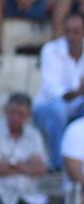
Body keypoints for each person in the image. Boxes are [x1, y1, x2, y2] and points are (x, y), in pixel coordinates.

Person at [35, 11, 84, 168]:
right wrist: (78, 92)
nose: (71, 36)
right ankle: (58, 164)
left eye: (76, 31)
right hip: (46, 108)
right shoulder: (50, 50)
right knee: (59, 110)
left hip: (77, 107)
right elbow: (52, 91)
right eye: (68, 31)